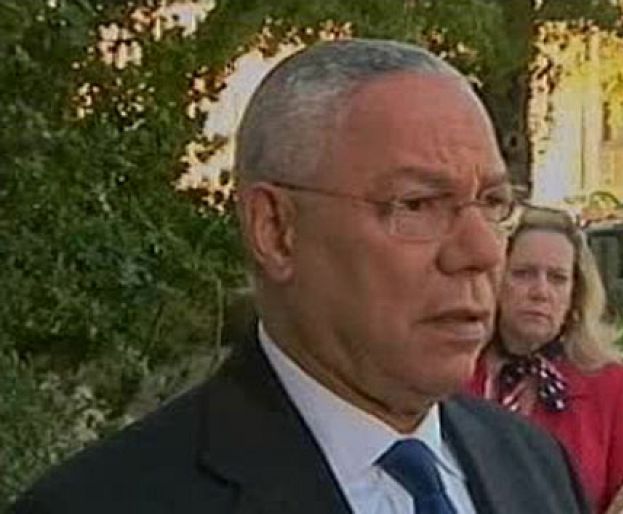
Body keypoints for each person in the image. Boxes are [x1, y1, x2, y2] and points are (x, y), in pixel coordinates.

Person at [12, 39, 590, 514]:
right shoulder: (101, 503)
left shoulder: (535, 465)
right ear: (275, 230)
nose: (481, 251)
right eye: (416, 204)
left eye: (492, 203)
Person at [466, 206, 623, 513]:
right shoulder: (450, 374)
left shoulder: (610, 384)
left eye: (557, 278)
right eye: (523, 274)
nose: (540, 291)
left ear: (575, 296)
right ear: (494, 281)